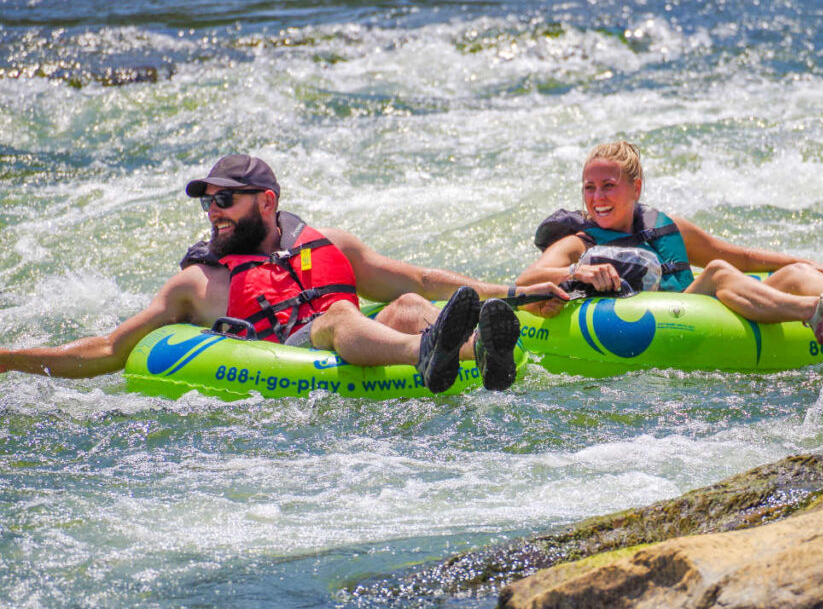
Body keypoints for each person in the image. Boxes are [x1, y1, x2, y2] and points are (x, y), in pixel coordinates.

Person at [0, 155, 567, 392]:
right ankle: (432, 354)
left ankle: (477, 353)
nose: (213, 211)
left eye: (226, 199)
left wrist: (514, 292)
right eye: (208, 202)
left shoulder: (331, 245)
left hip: (359, 335)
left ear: (266, 201)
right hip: (291, 350)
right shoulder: (199, 285)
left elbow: (419, 281)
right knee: (337, 313)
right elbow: (108, 349)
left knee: (413, 311)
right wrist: (6, 360)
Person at [516, 141, 823, 344]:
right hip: (660, 322)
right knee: (716, 275)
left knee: (793, 274)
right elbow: (527, 279)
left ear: (636, 187)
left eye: (609, 185)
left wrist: (806, 261)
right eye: (590, 187)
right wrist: (578, 270)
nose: (597, 197)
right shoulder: (580, 241)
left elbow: (740, 256)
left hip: (702, 312)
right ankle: (817, 312)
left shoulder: (667, 225)